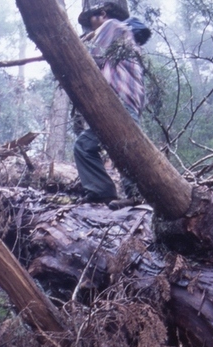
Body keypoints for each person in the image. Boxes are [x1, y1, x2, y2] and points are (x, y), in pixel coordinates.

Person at [72, 3, 146, 204]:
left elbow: (91, 57)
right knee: (87, 145)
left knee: (123, 148)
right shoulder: (126, 39)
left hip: (120, 102)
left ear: (102, 14)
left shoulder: (112, 26)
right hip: (123, 103)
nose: (91, 27)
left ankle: (135, 194)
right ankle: (104, 191)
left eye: (91, 21)